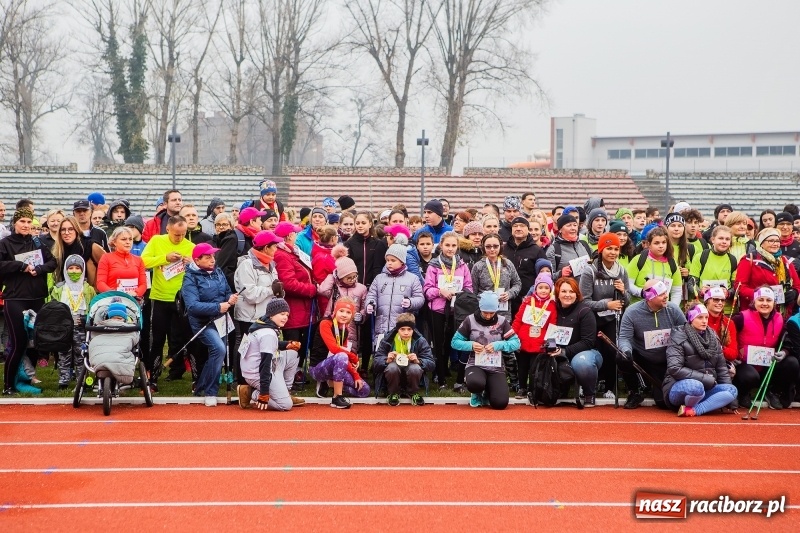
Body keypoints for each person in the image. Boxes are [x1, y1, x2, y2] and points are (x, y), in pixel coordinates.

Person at [0, 207, 57, 394]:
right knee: (18, 342)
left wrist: (39, 269)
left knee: (34, 342)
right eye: (22, 221)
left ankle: (27, 377)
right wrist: (20, 266)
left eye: (28, 222)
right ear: (15, 223)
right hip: (15, 298)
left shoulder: (37, 242)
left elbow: (52, 262)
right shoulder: (5, 243)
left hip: (37, 298)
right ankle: (9, 385)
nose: (26, 225)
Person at [181, 242, 239, 406]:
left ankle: (200, 388)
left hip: (221, 320)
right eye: (207, 257)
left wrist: (230, 298)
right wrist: (218, 307)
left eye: (213, 256)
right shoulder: (190, 278)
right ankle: (210, 391)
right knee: (219, 349)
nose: (212, 259)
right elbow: (192, 306)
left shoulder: (218, 271)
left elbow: (226, 292)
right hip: (202, 322)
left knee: (217, 353)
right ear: (197, 260)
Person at [141, 215, 195, 390]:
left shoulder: (191, 246)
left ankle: (196, 379)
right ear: (168, 229)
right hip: (160, 297)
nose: (180, 238)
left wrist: (192, 264)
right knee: (157, 340)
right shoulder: (157, 241)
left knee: (188, 338)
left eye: (183, 234)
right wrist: (165, 257)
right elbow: (143, 261)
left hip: (183, 299)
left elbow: (202, 268)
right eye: (177, 234)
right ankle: (152, 379)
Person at [618, 279, 688, 409]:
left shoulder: (673, 309)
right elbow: (624, 338)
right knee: (621, 356)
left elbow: (686, 333)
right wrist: (626, 350)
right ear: (649, 297)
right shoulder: (632, 312)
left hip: (668, 360)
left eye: (666, 292)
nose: (666, 296)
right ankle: (634, 392)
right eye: (661, 294)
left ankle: (655, 387)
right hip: (643, 358)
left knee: (663, 402)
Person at [579, 232, 631, 400]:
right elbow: (584, 302)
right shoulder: (590, 271)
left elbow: (626, 301)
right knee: (592, 350)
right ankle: (587, 384)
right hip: (591, 318)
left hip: (612, 319)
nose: (613, 252)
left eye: (616, 249)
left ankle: (610, 386)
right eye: (609, 248)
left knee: (611, 351)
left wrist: (623, 291)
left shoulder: (621, 271)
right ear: (601, 250)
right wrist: (606, 305)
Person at [663, 303, 737, 417]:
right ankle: (698, 405)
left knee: (732, 390)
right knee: (696, 387)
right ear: (691, 318)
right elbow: (675, 368)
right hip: (678, 388)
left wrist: (731, 402)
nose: (704, 321)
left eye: (706, 317)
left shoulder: (713, 337)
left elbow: (721, 369)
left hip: (706, 387)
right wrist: (705, 379)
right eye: (700, 317)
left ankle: (694, 410)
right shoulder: (678, 336)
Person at [451, 291, 521, 410]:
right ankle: (477, 393)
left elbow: (516, 343)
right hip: (475, 364)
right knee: (475, 383)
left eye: (492, 313)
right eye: (485, 312)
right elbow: (455, 342)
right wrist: (471, 345)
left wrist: (499, 345)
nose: (488, 316)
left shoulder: (502, 321)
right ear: (480, 308)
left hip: (496, 367)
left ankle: (489, 390)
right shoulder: (469, 320)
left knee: (500, 403)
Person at [424, 231, 473, 390]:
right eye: (447, 245)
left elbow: (469, 287)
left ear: (457, 247)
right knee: (439, 344)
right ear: (441, 246)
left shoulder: (462, 265)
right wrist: (440, 291)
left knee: (453, 343)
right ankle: (440, 378)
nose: (450, 248)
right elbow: (427, 290)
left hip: (456, 311)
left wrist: (460, 294)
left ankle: (454, 374)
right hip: (437, 310)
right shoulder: (433, 265)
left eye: (453, 245)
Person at [731, 286, 794, 410]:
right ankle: (743, 393)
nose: (765, 303)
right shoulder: (741, 317)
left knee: (792, 363)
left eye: (768, 300)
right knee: (750, 376)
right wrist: (733, 355)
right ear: (754, 301)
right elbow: (729, 336)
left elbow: (786, 341)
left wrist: (784, 352)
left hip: (767, 365)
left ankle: (772, 391)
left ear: (774, 303)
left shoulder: (779, 319)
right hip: (744, 365)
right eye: (761, 300)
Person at [233, 230, 282, 379]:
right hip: (249, 317)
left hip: (265, 316)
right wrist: (271, 290)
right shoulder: (246, 265)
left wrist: (279, 292)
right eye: (274, 246)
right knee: (246, 349)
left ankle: (258, 378)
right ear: (266, 247)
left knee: (261, 349)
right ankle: (241, 380)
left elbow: (274, 290)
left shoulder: (271, 264)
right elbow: (250, 294)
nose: (277, 249)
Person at [238, 298, 304, 410]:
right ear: (271, 315)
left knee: (293, 355)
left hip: (255, 367)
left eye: (287, 315)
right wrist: (264, 393)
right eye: (282, 314)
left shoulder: (262, 324)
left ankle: (285, 393)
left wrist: (287, 344)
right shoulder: (268, 334)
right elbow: (265, 364)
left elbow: (267, 345)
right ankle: (252, 393)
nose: (285, 317)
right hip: (257, 374)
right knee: (285, 405)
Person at [273, 221, 317, 380]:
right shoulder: (282, 254)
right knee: (293, 342)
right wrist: (312, 289)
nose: (297, 235)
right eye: (295, 233)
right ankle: (290, 374)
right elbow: (288, 283)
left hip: (302, 307)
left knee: (302, 342)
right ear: (289, 236)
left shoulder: (292, 252)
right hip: (293, 308)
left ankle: (297, 371)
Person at [308, 298, 371, 408]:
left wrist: (356, 375)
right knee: (342, 356)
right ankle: (337, 397)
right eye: (341, 311)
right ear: (335, 311)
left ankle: (330, 383)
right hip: (318, 368)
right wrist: (353, 357)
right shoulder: (325, 323)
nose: (344, 315)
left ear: (352, 316)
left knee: (364, 390)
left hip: (337, 366)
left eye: (348, 312)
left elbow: (344, 355)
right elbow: (334, 349)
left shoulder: (345, 330)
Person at [550, 277, 602, 406]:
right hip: (558, 353)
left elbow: (588, 342)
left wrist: (564, 351)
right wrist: (551, 349)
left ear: (577, 294)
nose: (567, 295)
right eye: (564, 291)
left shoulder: (585, 311)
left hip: (586, 353)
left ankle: (589, 392)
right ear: (557, 293)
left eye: (571, 291)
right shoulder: (551, 309)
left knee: (582, 363)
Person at [50, 255, 96, 390]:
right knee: (63, 354)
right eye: (70, 268)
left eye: (77, 268)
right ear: (65, 269)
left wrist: (86, 319)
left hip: (81, 327)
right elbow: (52, 308)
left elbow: (93, 309)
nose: (74, 271)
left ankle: (82, 381)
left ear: (83, 270)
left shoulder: (89, 289)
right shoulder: (59, 289)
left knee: (81, 354)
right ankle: (63, 381)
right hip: (64, 328)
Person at [366, 243, 424, 345]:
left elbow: (420, 298)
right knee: (382, 351)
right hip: (382, 326)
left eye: (393, 260)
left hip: (403, 327)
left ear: (402, 261)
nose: (389, 263)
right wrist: (370, 304)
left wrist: (410, 302)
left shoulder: (412, 278)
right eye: (387, 260)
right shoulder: (379, 278)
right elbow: (371, 295)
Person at [373, 313, 434, 406]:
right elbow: (375, 363)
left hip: (411, 372)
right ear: (397, 329)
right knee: (392, 367)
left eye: (409, 329)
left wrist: (418, 361)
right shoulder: (387, 339)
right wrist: (386, 360)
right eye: (402, 329)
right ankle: (393, 393)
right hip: (393, 373)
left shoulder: (420, 340)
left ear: (413, 329)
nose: (406, 333)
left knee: (415, 368)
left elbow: (431, 363)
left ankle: (413, 393)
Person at [512, 272, 557, 399]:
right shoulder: (527, 301)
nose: (543, 290)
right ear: (535, 288)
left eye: (546, 288)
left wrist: (549, 342)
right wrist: (513, 336)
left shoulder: (552, 305)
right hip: (523, 341)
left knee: (534, 368)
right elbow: (518, 320)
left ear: (550, 290)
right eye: (540, 287)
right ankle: (522, 388)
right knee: (522, 366)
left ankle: (533, 389)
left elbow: (552, 325)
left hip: (539, 344)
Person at [734, 228, 800, 314]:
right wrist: (761, 295)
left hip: (781, 313)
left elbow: (797, 285)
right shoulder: (749, 259)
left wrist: (794, 293)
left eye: (777, 241)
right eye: (771, 241)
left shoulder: (785, 261)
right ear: (762, 243)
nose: (775, 244)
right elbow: (739, 286)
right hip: (755, 311)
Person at [503, 215, 546, 317]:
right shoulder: (503, 249)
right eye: (515, 226)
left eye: (522, 226)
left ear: (528, 229)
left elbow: (544, 276)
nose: (518, 228)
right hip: (505, 299)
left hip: (527, 299)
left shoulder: (536, 250)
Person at [626, 227, 682, 304]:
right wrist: (642, 293)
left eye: (664, 242)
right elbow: (628, 284)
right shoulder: (638, 260)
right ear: (649, 244)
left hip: (662, 309)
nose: (661, 246)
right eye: (656, 243)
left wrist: (672, 308)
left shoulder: (672, 263)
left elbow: (677, 291)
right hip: (639, 307)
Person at [52, 216, 106, 287]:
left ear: (76, 230)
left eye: (71, 229)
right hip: (67, 290)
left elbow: (108, 266)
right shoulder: (58, 250)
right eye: (63, 229)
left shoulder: (90, 245)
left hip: (90, 290)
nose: (66, 233)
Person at [688, 225, 737, 302]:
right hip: (704, 305)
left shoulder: (733, 260)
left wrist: (728, 293)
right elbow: (691, 283)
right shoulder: (700, 257)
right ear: (713, 240)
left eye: (727, 239)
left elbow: (735, 286)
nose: (724, 242)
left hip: (724, 306)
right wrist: (700, 291)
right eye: (721, 238)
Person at [95, 227, 147, 298]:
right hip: (112, 299)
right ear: (114, 242)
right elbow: (100, 283)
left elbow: (143, 284)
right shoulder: (106, 258)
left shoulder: (139, 260)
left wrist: (136, 293)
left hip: (133, 300)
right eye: (124, 239)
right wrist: (115, 294)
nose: (128, 242)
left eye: (130, 239)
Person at [547, 213, 591, 283]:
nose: (573, 228)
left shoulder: (584, 244)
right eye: (569, 225)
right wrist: (560, 274)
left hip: (586, 288)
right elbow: (547, 277)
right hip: (565, 289)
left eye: (575, 225)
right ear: (560, 230)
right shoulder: (554, 250)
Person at [212, 213, 238, 290]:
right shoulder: (212, 241)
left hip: (228, 282)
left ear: (231, 226)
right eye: (218, 224)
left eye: (224, 224)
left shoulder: (231, 239)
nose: (221, 227)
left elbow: (221, 265)